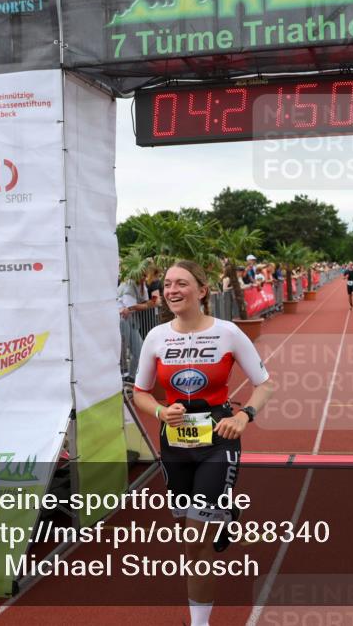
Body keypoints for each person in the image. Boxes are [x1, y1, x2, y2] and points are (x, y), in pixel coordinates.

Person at [132, 261, 276, 626]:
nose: (172, 290)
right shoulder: (157, 337)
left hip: (218, 439)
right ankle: (225, 512)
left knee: (196, 542)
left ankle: (199, 623)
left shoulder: (227, 333)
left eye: (181, 283)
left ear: (202, 290)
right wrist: (161, 413)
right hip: (175, 445)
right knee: (186, 533)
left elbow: (265, 384)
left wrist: (244, 417)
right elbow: (140, 394)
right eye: (167, 284)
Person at [117, 269, 157, 383]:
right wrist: (148, 304)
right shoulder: (129, 284)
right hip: (123, 319)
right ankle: (123, 376)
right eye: (143, 275)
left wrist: (149, 304)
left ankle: (132, 376)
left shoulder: (142, 285)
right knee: (122, 348)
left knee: (139, 350)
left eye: (146, 275)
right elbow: (132, 306)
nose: (145, 277)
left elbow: (143, 303)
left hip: (132, 319)